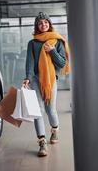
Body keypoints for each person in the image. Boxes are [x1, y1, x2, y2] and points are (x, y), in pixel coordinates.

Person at [22, 12, 70, 157]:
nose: (43, 25)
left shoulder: (57, 41)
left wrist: (53, 51)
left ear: (49, 24)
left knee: (50, 110)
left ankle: (54, 130)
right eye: (40, 23)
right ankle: (42, 142)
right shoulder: (32, 43)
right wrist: (28, 78)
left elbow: (62, 63)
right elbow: (30, 62)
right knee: (38, 111)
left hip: (51, 80)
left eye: (46, 22)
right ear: (37, 25)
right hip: (36, 79)